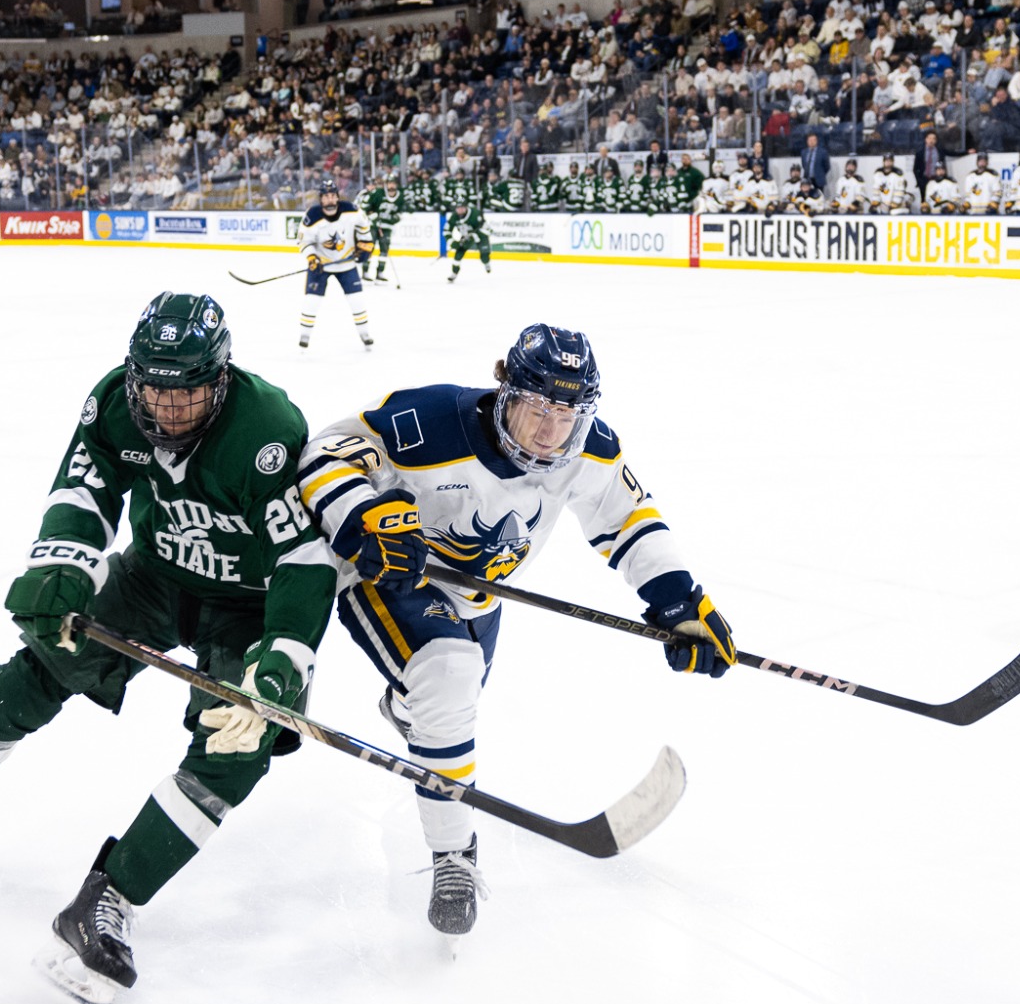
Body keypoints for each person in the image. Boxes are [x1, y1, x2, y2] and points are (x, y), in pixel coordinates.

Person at [0, 294, 341, 1004]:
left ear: (221, 377)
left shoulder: (267, 428)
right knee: (38, 664)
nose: (169, 408)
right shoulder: (112, 406)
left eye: (188, 392)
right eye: (154, 387)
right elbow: (84, 493)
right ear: (132, 376)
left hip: (246, 603)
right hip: (152, 575)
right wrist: (60, 573)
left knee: (235, 750)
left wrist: (278, 666)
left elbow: (304, 560)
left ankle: (109, 896)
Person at [295, 324, 734, 935]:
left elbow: (628, 516)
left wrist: (677, 599)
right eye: (538, 409)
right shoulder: (426, 421)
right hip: (390, 578)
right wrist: (366, 515)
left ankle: (417, 712)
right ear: (506, 392)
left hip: (479, 599)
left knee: (447, 703)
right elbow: (324, 452)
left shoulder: (589, 449)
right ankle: (454, 855)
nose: (552, 432)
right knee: (449, 680)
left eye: (568, 416)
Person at [296, 177, 374, 350]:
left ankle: (365, 334)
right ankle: (304, 336)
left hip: (346, 265)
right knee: (312, 301)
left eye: (333, 196)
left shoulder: (352, 211)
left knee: (357, 300)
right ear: (321, 198)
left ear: (338, 197)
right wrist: (311, 258)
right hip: (321, 265)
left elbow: (364, 228)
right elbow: (304, 241)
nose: (330, 199)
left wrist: (365, 245)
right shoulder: (312, 215)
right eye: (326, 196)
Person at [359, 173, 401, 284]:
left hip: (387, 228)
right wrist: (373, 217)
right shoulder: (378, 193)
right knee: (369, 248)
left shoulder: (399, 197)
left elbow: (400, 214)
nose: (391, 186)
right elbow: (364, 207)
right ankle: (365, 271)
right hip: (373, 226)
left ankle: (380, 272)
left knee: (384, 250)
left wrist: (391, 219)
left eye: (393, 183)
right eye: (389, 183)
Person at [446, 189, 491, 282]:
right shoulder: (454, 217)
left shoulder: (475, 214)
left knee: (484, 256)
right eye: (458, 208)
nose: (460, 210)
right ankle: (454, 273)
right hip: (467, 236)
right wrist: (452, 242)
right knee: (457, 255)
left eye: (462, 207)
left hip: (480, 235)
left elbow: (484, 227)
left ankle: (486, 262)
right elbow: (446, 231)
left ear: (466, 206)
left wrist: (480, 233)